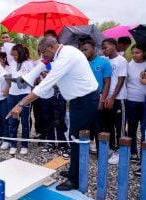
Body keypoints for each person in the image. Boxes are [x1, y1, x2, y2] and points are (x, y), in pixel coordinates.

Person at [7, 37, 99, 191]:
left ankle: (74, 179)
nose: (44, 58)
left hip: (85, 100)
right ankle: (73, 171)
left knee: (75, 138)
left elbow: (44, 87)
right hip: (79, 100)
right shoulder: (61, 55)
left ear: (51, 47)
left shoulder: (65, 57)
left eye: (44, 53)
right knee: (74, 137)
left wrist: (20, 104)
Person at [80, 40, 112, 154]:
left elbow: (107, 82)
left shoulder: (104, 63)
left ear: (93, 48)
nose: (84, 52)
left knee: (98, 126)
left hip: (97, 98)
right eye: (82, 50)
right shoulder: (82, 63)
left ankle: (101, 153)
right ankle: (84, 151)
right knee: (84, 126)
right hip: (84, 98)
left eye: (86, 49)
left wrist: (102, 100)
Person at [102, 38, 128, 165]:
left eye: (105, 47)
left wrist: (112, 98)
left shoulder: (121, 61)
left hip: (118, 98)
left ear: (114, 46)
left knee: (120, 126)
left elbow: (121, 80)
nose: (104, 50)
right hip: (107, 97)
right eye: (102, 48)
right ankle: (112, 148)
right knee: (108, 125)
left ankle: (122, 151)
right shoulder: (105, 60)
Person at [7, 44, 34, 155]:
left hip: (25, 94)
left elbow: (33, 79)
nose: (14, 57)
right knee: (13, 120)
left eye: (15, 55)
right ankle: (13, 144)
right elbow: (10, 77)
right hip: (12, 94)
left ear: (21, 53)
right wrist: (9, 79)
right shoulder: (12, 64)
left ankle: (24, 145)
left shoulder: (28, 64)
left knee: (25, 121)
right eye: (12, 55)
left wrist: (23, 80)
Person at [125, 44, 146, 161]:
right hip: (131, 100)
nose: (134, 55)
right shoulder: (128, 65)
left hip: (145, 101)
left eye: (137, 52)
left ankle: (144, 155)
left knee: (145, 130)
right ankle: (133, 152)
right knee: (132, 128)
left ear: (143, 52)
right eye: (132, 52)